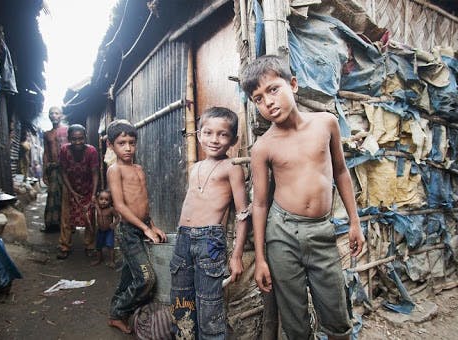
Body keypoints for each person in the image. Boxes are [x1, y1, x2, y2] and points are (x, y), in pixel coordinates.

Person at [240, 54, 365, 340]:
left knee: (337, 318)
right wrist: (260, 258)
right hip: (282, 233)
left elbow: (342, 173)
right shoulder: (263, 147)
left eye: (273, 89)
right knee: (295, 323)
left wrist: (355, 222)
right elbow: (259, 204)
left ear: (293, 85)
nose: (268, 102)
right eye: (258, 99)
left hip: (321, 231)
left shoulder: (326, 123)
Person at [170, 107, 249, 339]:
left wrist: (235, 255)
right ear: (199, 134)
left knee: (209, 307)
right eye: (209, 132)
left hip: (209, 242)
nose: (215, 139)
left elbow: (243, 212)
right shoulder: (195, 168)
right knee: (181, 301)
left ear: (233, 139)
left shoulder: (232, 167)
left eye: (223, 134)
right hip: (183, 238)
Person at [106, 119, 167, 334]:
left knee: (131, 274)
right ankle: (119, 311)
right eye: (121, 143)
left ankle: (117, 311)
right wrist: (144, 229)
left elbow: (142, 202)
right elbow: (121, 206)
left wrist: (152, 225)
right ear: (110, 145)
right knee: (146, 277)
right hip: (128, 231)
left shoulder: (139, 168)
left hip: (142, 227)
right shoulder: (115, 170)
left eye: (132, 142)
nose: (128, 148)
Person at [56, 124, 99, 260]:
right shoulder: (64, 150)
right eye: (74, 139)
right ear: (69, 138)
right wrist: (71, 191)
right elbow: (63, 172)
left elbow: (95, 173)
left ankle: (90, 246)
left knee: (90, 216)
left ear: (85, 137)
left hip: (88, 187)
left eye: (81, 138)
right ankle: (64, 246)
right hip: (69, 187)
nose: (78, 142)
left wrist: (93, 194)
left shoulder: (91, 151)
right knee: (66, 217)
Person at [42, 106, 69, 233]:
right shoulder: (47, 134)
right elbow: (46, 153)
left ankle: (68, 224)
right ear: (49, 116)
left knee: (66, 195)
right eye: (51, 113)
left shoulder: (67, 131)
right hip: (53, 168)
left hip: (67, 168)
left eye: (56, 113)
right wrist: (44, 171)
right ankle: (52, 224)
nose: (54, 115)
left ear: (61, 116)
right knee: (52, 195)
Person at [90, 189, 120, 268]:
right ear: (98, 200)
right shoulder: (97, 207)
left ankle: (112, 261)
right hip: (100, 230)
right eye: (101, 199)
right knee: (98, 246)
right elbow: (93, 203)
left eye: (106, 200)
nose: (103, 201)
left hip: (109, 231)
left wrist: (114, 224)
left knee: (110, 246)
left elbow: (118, 217)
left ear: (110, 201)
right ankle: (99, 259)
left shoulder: (111, 209)